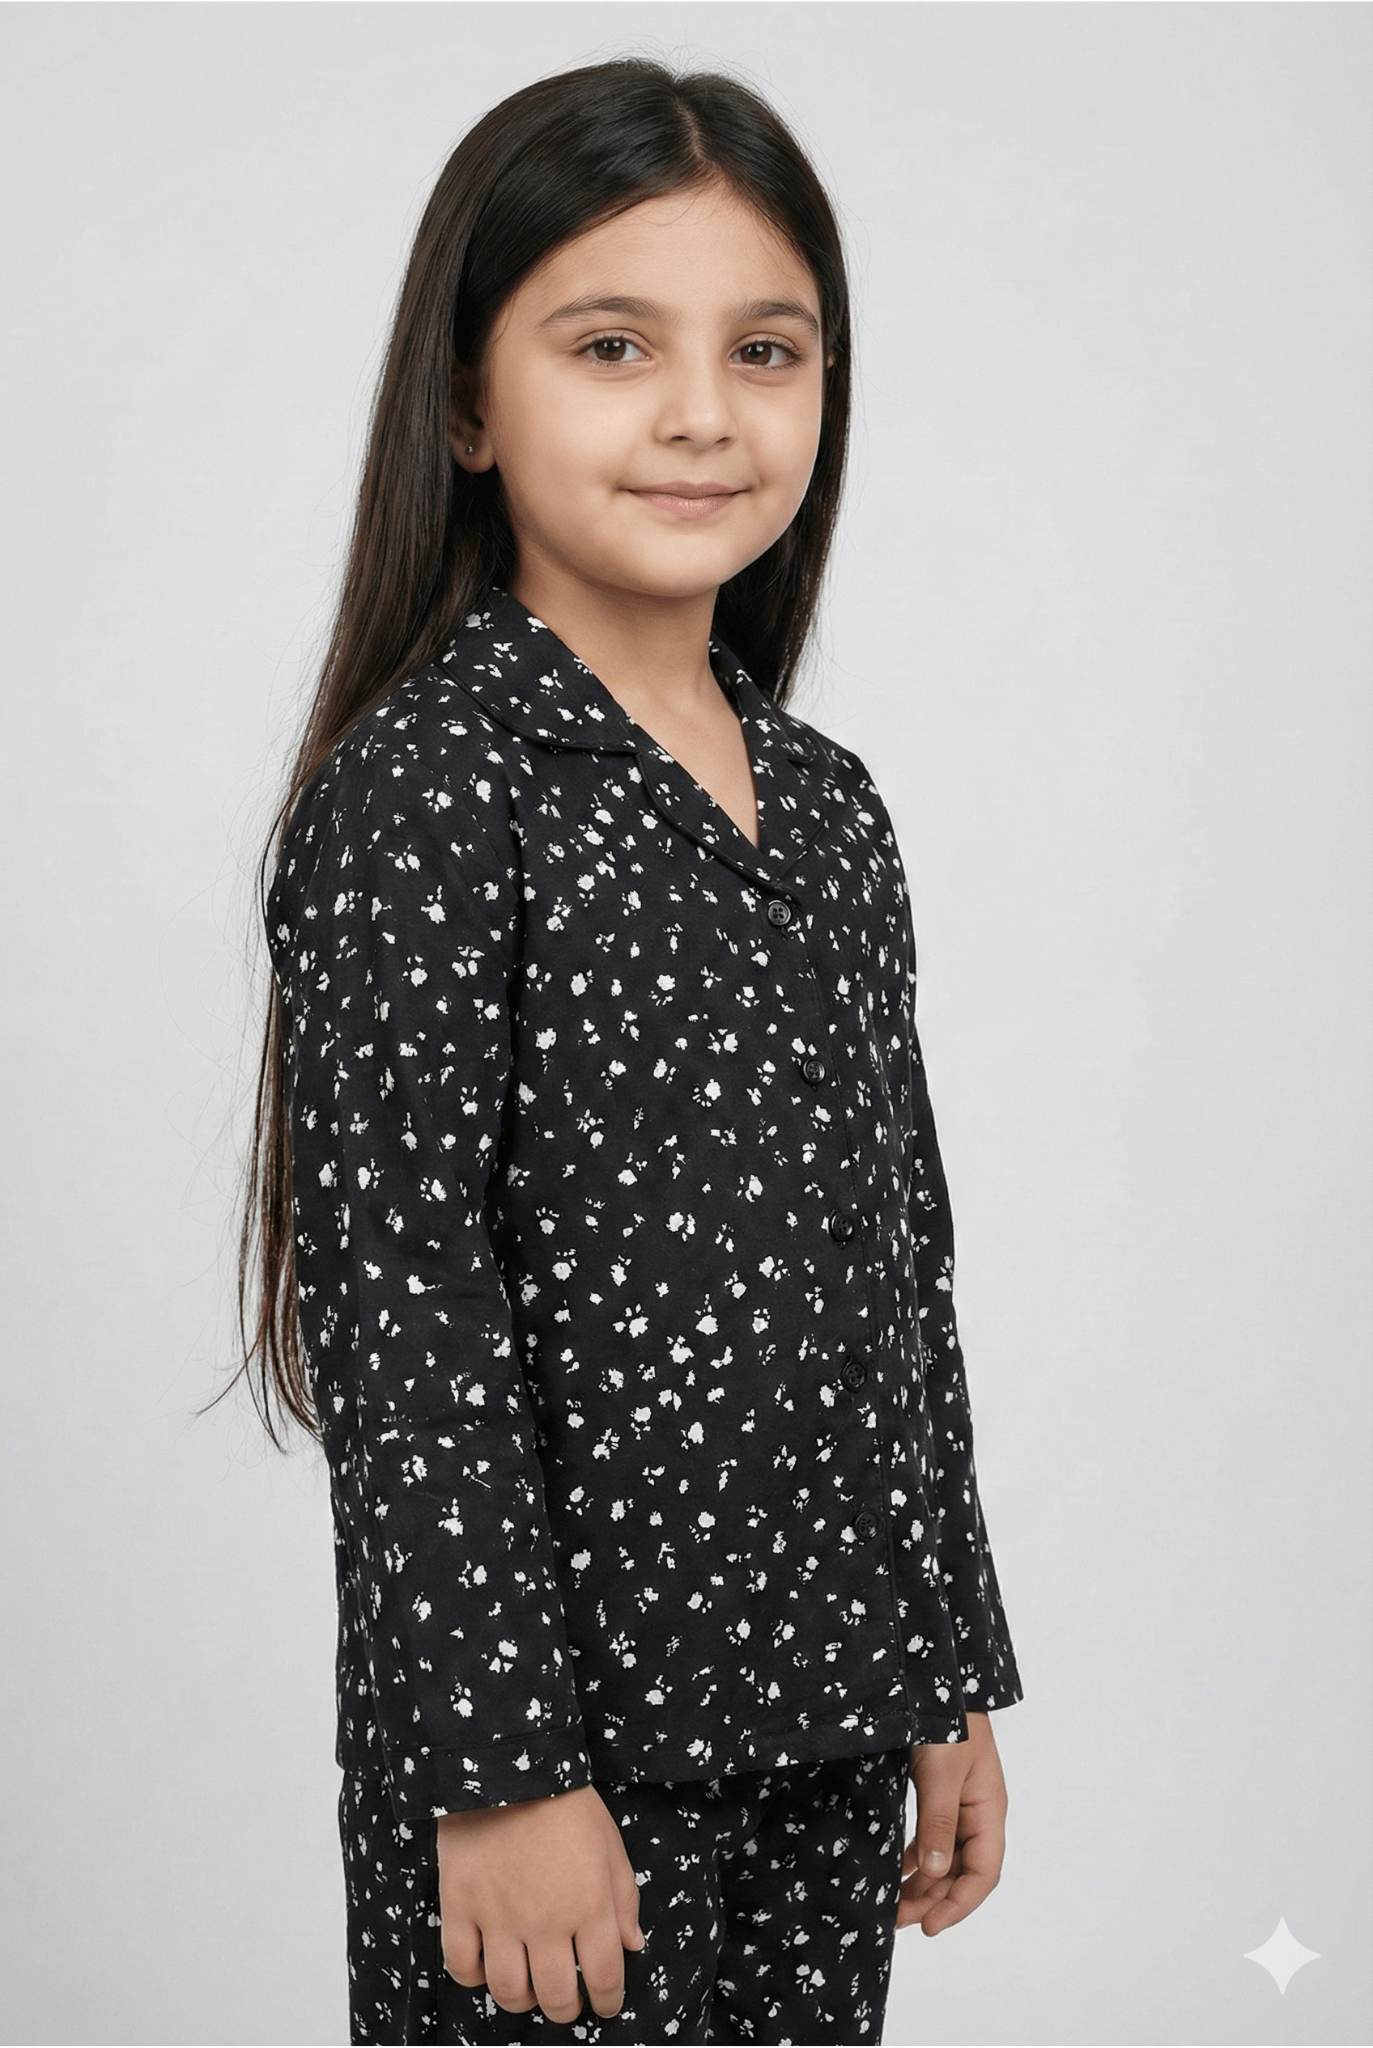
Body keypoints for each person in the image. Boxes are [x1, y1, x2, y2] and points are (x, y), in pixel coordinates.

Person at [234, 55, 1024, 2047]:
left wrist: (946, 1669)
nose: (700, 413)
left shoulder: (827, 809)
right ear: (466, 406)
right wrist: (498, 1774)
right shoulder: (429, 797)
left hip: (831, 1721)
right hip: (562, 1769)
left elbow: (896, 1262)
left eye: (766, 350)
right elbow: (403, 1303)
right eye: (612, 346)